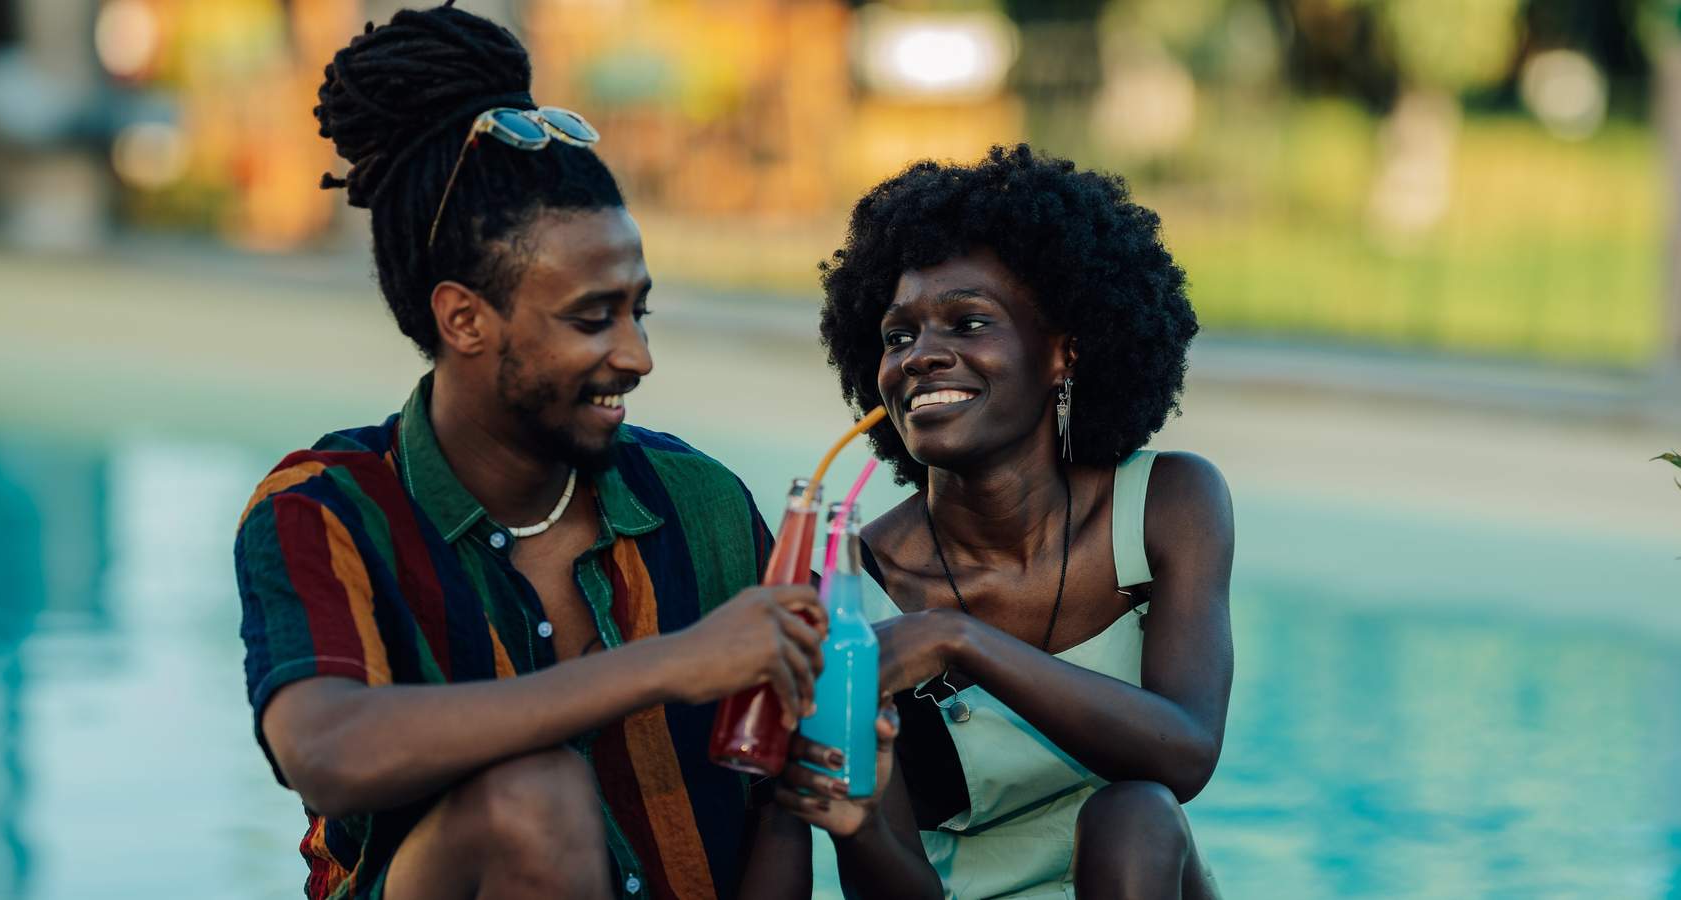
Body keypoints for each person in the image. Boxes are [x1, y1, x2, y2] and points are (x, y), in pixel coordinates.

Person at [234, 4, 828, 898]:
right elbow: (325, 750)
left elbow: (773, 814)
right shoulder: (326, 510)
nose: (637, 355)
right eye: (594, 318)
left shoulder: (701, 502)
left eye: (640, 309)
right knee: (532, 795)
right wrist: (672, 661)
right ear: (463, 319)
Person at [774, 145, 1234, 899]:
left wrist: (958, 639)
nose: (922, 356)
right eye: (898, 336)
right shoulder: (855, 595)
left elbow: (1184, 755)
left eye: (967, 323)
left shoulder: (1167, 503)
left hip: (1145, 874)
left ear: (1064, 353)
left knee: (1135, 812)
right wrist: (854, 824)